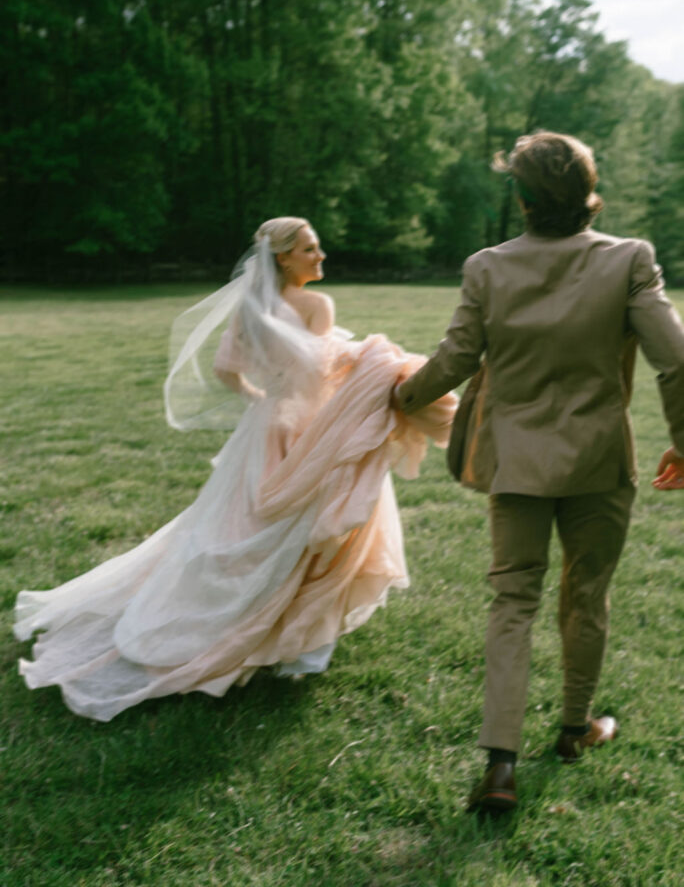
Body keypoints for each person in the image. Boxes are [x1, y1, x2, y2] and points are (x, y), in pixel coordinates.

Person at [15, 217, 457, 721]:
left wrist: (262, 402)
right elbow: (315, 377)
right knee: (317, 529)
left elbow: (228, 373)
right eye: (311, 249)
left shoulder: (250, 308)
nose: (322, 257)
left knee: (246, 529)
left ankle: (281, 636)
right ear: (285, 258)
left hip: (262, 429)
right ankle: (301, 647)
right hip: (309, 431)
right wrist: (368, 366)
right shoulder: (317, 305)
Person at [392, 132, 684, 812]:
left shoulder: (486, 268)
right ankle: (575, 731)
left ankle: (500, 767)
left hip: (516, 464)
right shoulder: (630, 259)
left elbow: (455, 358)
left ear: (522, 199)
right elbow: (677, 357)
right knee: (588, 596)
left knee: (512, 605)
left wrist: (400, 396)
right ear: (589, 190)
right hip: (599, 462)